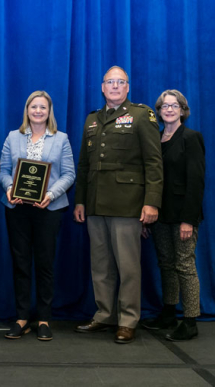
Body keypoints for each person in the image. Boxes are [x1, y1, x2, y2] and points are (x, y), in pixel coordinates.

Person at [73, 66, 163, 344]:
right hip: (95, 204)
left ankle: (127, 320)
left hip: (127, 204)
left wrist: (151, 203)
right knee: (100, 265)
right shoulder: (92, 119)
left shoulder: (141, 115)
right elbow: (85, 165)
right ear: (102, 87)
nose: (114, 86)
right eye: (110, 82)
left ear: (127, 87)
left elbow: (153, 162)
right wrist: (80, 200)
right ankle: (104, 315)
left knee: (128, 266)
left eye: (120, 82)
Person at [0, 91, 75, 341]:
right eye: (34, 107)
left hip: (48, 210)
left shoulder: (61, 138)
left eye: (43, 107)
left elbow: (69, 174)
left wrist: (51, 194)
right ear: (27, 110)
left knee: (44, 265)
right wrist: (10, 188)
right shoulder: (13, 136)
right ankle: (22, 318)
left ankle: (44, 318)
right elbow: (3, 170)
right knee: (21, 264)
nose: (38, 111)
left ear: (49, 111)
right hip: (17, 209)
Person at [141, 90, 205, 341]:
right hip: (159, 214)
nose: (169, 109)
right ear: (158, 111)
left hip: (182, 216)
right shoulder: (156, 139)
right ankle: (168, 312)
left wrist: (188, 219)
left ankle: (190, 320)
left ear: (182, 110)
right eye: (164, 105)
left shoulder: (191, 137)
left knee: (185, 265)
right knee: (166, 264)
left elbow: (196, 182)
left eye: (174, 105)